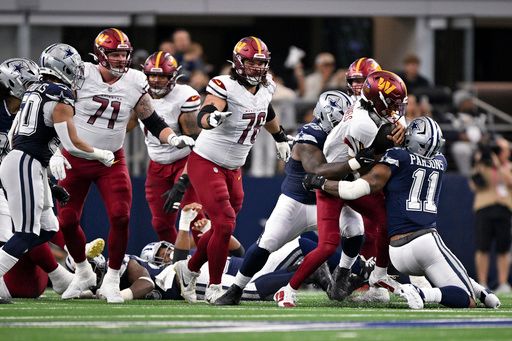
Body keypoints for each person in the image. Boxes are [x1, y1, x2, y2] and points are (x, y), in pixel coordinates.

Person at [57, 28, 194, 304]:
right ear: (99, 55)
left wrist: (174, 137)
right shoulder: (81, 74)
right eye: (114, 54)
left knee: (121, 216)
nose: (121, 60)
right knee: (67, 220)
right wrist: (53, 150)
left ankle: (110, 278)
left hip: (112, 159)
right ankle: (83, 271)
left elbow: (152, 119)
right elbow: (57, 112)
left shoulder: (134, 80)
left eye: (123, 54)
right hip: (76, 157)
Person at [307, 116, 501, 309]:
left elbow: (354, 189)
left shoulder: (397, 158)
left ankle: (483, 292)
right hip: (425, 242)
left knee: (458, 278)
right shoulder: (441, 162)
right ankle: (420, 292)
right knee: (466, 299)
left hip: (397, 250)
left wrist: (321, 182)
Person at [172, 36, 291, 304]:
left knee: (220, 229)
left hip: (234, 166)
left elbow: (265, 111)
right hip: (207, 161)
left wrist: (280, 136)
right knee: (224, 223)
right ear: (238, 63)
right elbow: (208, 109)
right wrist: (210, 118)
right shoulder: (224, 85)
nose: (257, 69)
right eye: (252, 63)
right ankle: (214, 286)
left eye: (261, 63)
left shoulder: (266, 86)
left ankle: (189, 269)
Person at [273, 70, 407, 307]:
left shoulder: (366, 105)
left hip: (350, 174)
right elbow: (369, 165)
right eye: (392, 104)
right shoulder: (363, 125)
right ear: (377, 101)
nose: (396, 109)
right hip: (331, 183)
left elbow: (393, 123)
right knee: (327, 245)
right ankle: (288, 289)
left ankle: (379, 276)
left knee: (385, 219)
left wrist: (401, 127)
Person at [215, 90, 353, 305]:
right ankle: (236, 288)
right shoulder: (310, 133)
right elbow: (316, 170)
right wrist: (355, 163)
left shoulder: (350, 132)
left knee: (357, 229)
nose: (346, 124)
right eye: (342, 120)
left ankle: (345, 275)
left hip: (328, 201)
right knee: (267, 243)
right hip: (297, 202)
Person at [0, 44, 116, 297]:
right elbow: (72, 144)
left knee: (48, 228)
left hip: (26, 160)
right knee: (26, 232)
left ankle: (65, 268)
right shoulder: (60, 93)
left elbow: (12, 135)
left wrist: (45, 160)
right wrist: (101, 154)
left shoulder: (33, 90)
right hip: (25, 162)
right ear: (63, 68)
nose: (78, 72)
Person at [0, 56, 75, 299]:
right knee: (13, 230)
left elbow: (27, 155)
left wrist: (51, 185)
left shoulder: (27, 113)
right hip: (6, 178)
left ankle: (59, 275)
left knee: (40, 227)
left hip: (11, 175)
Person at [129, 51, 202, 242]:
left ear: (174, 76)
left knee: (195, 220)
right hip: (156, 165)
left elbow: (198, 145)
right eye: (152, 75)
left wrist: (183, 180)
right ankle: (174, 264)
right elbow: (124, 126)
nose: (156, 80)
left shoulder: (184, 96)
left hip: (184, 161)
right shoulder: (138, 94)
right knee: (160, 224)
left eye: (162, 75)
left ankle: (205, 263)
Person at [470, 137, 512, 293]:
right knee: (483, 247)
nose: (498, 152)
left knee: (503, 248)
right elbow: (474, 185)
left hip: (504, 209)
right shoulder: (484, 165)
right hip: (484, 209)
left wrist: (499, 165)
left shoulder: (508, 166)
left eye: (501, 149)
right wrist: (479, 163)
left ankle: (503, 283)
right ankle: (482, 282)